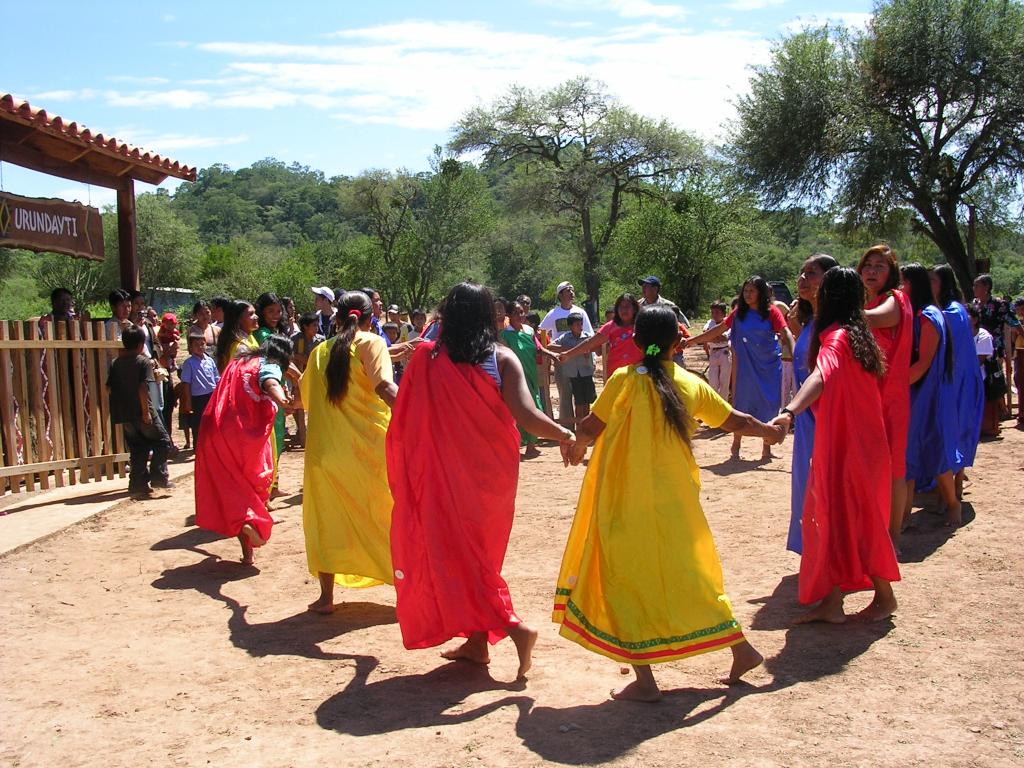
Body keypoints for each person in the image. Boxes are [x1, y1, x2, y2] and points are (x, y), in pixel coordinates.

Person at [555, 305, 775, 701]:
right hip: (676, 501)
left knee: (623, 575)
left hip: (625, 500)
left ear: (636, 341)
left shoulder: (624, 380)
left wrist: (575, 446)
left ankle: (646, 682)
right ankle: (741, 649)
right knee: (690, 574)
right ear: (680, 341)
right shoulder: (689, 384)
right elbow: (735, 420)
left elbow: (591, 425)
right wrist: (769, 433)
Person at [387, 282, 575, 679]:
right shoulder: (501, 358)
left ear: (448, 316)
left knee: (455, 555)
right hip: (491, 478)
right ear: (490, 316)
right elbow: (526, 415)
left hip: (444, 477)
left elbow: (406, 409)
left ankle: (515, 629)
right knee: (478, 556)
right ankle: (476, 644)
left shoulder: (427, 356)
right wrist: (565, 434)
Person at [771, 267, 900, 624]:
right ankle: (835, 600)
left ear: (828, 297)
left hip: (848, 446)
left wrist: (789, 411)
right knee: (845, 518)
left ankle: (879, 596)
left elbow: (820, 376)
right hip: (862, 442)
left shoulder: (838, 338)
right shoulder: (860, 335)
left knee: (841, 516)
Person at [300, 291, 398, 614]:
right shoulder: (373, 343)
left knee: (327, 519)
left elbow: (304, 397)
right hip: (369, 451)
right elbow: (384, 387)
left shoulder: (318, 352)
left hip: (326, 455)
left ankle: (326, 597)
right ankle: (406, 587)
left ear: (336, 319)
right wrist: (418, 415)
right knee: (388, 516)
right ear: (372, 318)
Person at [195, 336, 294, 565]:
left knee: (230, 486)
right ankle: (251, 528)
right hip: (241, 435)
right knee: (253, 485)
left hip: (213, 428)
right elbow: (271, 382)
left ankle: (247, 552)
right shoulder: (269, 364)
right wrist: (283, 401)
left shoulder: (239, 361)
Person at [686, 276, 793, 461]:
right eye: (745, 291)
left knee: (768, 403)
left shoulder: (771, 312)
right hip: (744, 367)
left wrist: (795, 351)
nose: (748, 294)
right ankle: (736, 445)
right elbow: (718, 330)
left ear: (761, 293)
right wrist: (692, 341)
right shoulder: (738, 313)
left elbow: (785, 333)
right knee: (741, 402)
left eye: (752, 291)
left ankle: (766, 449)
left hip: (767, 366)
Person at [784, 253, 839, 555]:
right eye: (802, 273)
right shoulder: (811, 322)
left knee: (824, 487)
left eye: (812, 273)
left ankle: (828, 553)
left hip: (825, 419)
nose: (803, 279)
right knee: (806, 487)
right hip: (807, 420)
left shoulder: (834, 326)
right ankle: (814, 549)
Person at [858, 244, 912, 544]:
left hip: (890, 397)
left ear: (891, 272)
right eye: (867, 265)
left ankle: (892, 537)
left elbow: (875, 319)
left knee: (893, 468)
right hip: (870, 395)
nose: (872, 271)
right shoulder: (870, 300)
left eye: (879, 266)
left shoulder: (895, 299)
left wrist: (836, 310)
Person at [901, 264, 960, 530]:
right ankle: (901, 518)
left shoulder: (927, 316)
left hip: (925, 394)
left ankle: (953, 504)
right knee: (908, 455)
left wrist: (894, 386)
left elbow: (923, 362)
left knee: (934, 452)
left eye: (902, 282)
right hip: (914, 393)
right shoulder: (916, 313)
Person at [932, 264, 984, 518]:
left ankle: (952, 492)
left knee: (950, 435)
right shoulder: (957, 310)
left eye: (933, 281)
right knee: (957, 434)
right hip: (960, 381)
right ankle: (955, 486)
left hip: (955, 383)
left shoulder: (950, 313)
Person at [106, 326, 171, 499]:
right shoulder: (142, 362)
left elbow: (109, 388)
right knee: (162, 441)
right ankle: (159, 477)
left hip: (125, 414)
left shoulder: (115, 363)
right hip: (142, 410)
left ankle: (137, 483)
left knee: (138, 447)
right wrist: (145, 412)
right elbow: (142, 388)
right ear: (142, 345)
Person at [500, 300, 559, 455]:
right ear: (509, 315)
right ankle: (519, 444)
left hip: (531, 373)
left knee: (535, 405)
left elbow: (538, 348)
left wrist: (552, 355)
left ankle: (531, 445)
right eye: (515, 313)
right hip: (515, 377)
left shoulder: (529, 331)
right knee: (519, 408)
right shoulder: (505, 335)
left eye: (521, 312)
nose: (520, 315)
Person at [539, 282, 595, 428]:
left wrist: (591, 358)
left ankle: (583, 427)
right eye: (567, 290)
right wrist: (552, 354)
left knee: (582, 397)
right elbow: (541, 332)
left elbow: (591, 336)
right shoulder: (553, 314)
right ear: (560, 294)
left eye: (572, 290)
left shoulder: (580, 312)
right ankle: (567, 428)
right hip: (563, 360)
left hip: (582, 362)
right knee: (565, 395)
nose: (571, 292)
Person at [557, 293, 642, 378]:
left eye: (627, 306)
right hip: (616, 376)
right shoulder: (611, 326)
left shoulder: (643, 326)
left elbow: (653, 347)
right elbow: (590, 343)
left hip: (639, 375)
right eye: (621, 307)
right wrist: (568, 354)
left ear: (634, 309)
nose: (624, 310)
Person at [547, 313, 597, 427]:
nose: (580, 326)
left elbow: (597, 347)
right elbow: (550, 346)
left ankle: (586, 426)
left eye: (581, 324)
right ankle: (579, 427)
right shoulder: (565, 338)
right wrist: (572, 350)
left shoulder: (588, 337)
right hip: (573, 374)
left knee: (587, 401)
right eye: (577, 324)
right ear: (570, 326)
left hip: (586, 373)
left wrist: (588, 350)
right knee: (578, 402)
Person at [972, 274, 1011, 414]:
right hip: (977, 344)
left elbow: (1012, 320)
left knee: (994, 375)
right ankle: (992, 412)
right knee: (983, 376)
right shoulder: (975, 304)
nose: (974, 288)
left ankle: (1002, 409)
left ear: (986, 287)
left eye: (977, 285)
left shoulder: (998, 304)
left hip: (995, 346)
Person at [290, 313, 325, 448]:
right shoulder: (295, 339)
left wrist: (303, 358)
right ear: (305, 327)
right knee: (297, 405)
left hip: (315, 377)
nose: (316, 328)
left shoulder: (321, 340)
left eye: (317, 325)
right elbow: (290, 358)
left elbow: (319, 360)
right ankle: (301, 432)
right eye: (314, 325)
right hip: (297, 376)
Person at [179, 334, 220, 446]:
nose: (200, 347)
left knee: (212, 421)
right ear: (190, 347)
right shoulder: (189, 363)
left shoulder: (210, 360)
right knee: (198, 423)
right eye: (196, 345)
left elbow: (217, 378)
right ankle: (198, 446)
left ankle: (211, 445)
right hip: (197, 398)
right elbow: (186, 383)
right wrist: (187, 401)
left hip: (211, 395)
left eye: (202, 344)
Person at [215, 300, 259, 372]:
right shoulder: (241, 348)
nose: (256, 317)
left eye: (255, 313)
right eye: (251, 314)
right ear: (238, 319)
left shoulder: (249, 337)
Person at [703, 301, 732, 400]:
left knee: (724, 381)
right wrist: (712, 337)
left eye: (717, 312)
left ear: (723, 313)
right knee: (713, 381)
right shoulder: (709, 323)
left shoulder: (727, 323)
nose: (714, 315)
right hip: (713, 352)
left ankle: (723, 403)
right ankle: (714, 403)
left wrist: (712, 336)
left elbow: (725, 337)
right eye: (712, 312)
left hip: (724, 352)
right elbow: (706, 335)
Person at [1013, 298, 1024, 429]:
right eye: (1019, 309)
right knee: (1017, 379)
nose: (1020, 311)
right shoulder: (1016, 322)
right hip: (1018, 353)